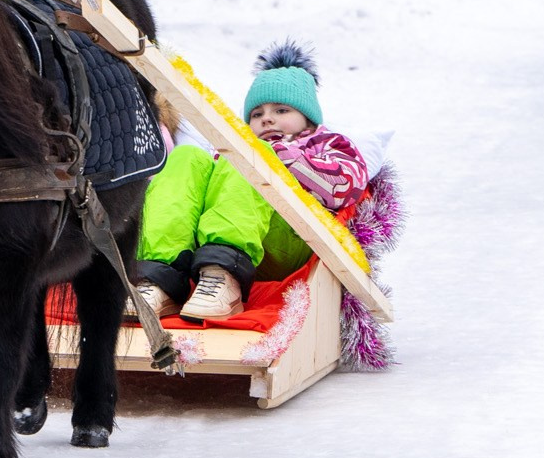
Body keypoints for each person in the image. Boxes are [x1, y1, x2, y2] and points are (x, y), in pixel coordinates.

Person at [130, 43, 368, 322]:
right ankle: (159, 279)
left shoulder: (324, 143)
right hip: (214, 243)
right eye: (257, 114)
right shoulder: (232, 152)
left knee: (250, 157)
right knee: (187, 157)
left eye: (281, 110)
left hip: (289, 240)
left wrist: (281, 157)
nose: (267, 118)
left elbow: (344, 186)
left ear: (308, 118)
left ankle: (224, 276)